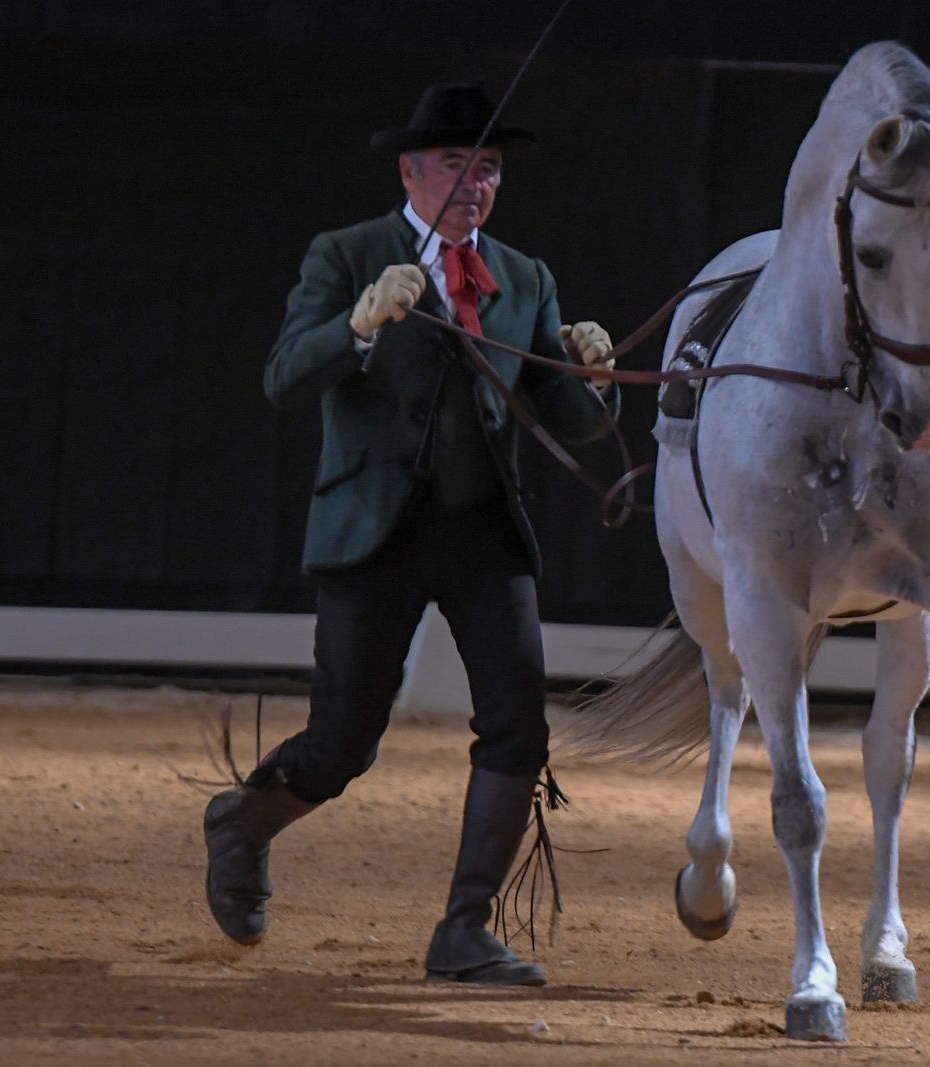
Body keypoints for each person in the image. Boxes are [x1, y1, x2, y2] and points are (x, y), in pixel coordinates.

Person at [202, 81, 618, 987]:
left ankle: (464, 927)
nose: (477, 183)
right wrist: (355, 327)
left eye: (492, 169)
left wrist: (594, 381)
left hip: (481, 533)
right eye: (459, 165)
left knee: (518, 726)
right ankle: (244, 822)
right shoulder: (347, 254)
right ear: (411, 170)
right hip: (374, 533)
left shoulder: (526, 278)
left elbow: (565, 421)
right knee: (343, 743)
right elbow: (282, 379)